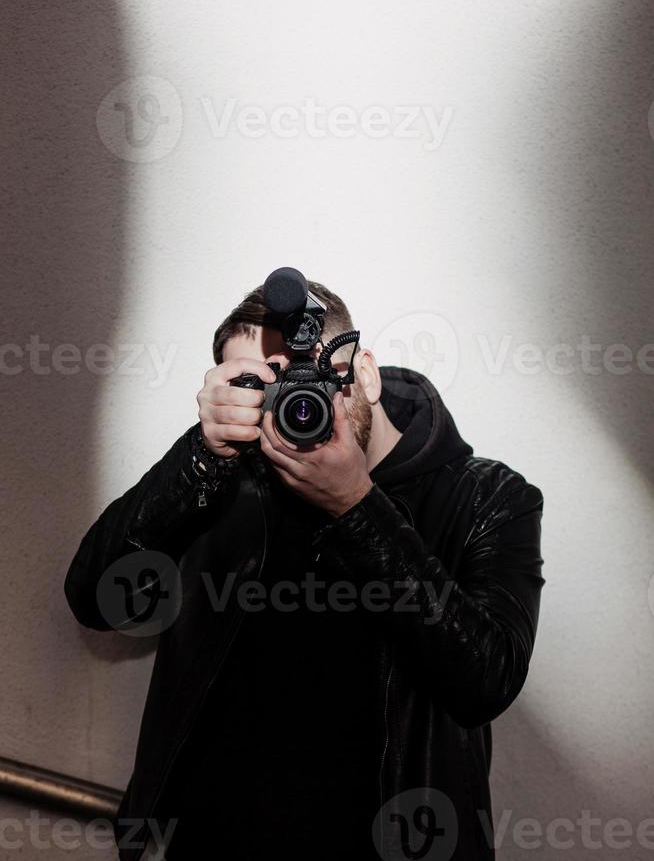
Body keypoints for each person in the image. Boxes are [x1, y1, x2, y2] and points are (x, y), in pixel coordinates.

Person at [63, 279, 545, 861]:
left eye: (306, 373)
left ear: (363, 372)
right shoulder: (224, 479)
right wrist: (200, 454)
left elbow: (485, 679)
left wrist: (355, 505)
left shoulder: (487, 498)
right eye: (257, 386)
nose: (294, 399)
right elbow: (94, 597)